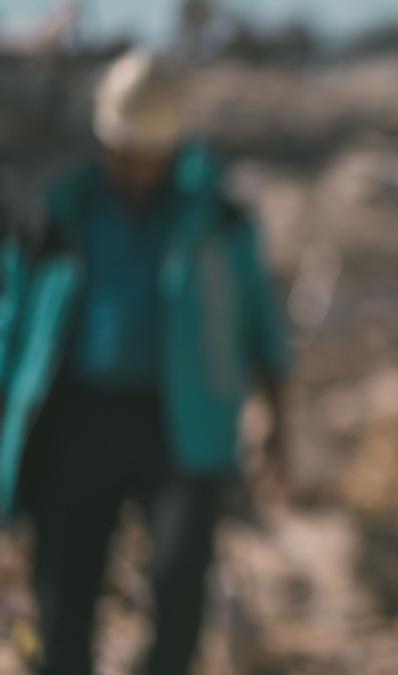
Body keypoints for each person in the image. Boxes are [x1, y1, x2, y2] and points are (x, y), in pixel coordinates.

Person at [0, 50, 289, 674]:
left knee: (180, 584)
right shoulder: (59, 214)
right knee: (62, 590)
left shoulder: (218, 218)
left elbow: (261, 322)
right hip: (76, 416)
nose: (135, 167)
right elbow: (12, 320)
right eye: (125, 152)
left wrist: (276, 418)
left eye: (148, 153)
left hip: (181, 424)